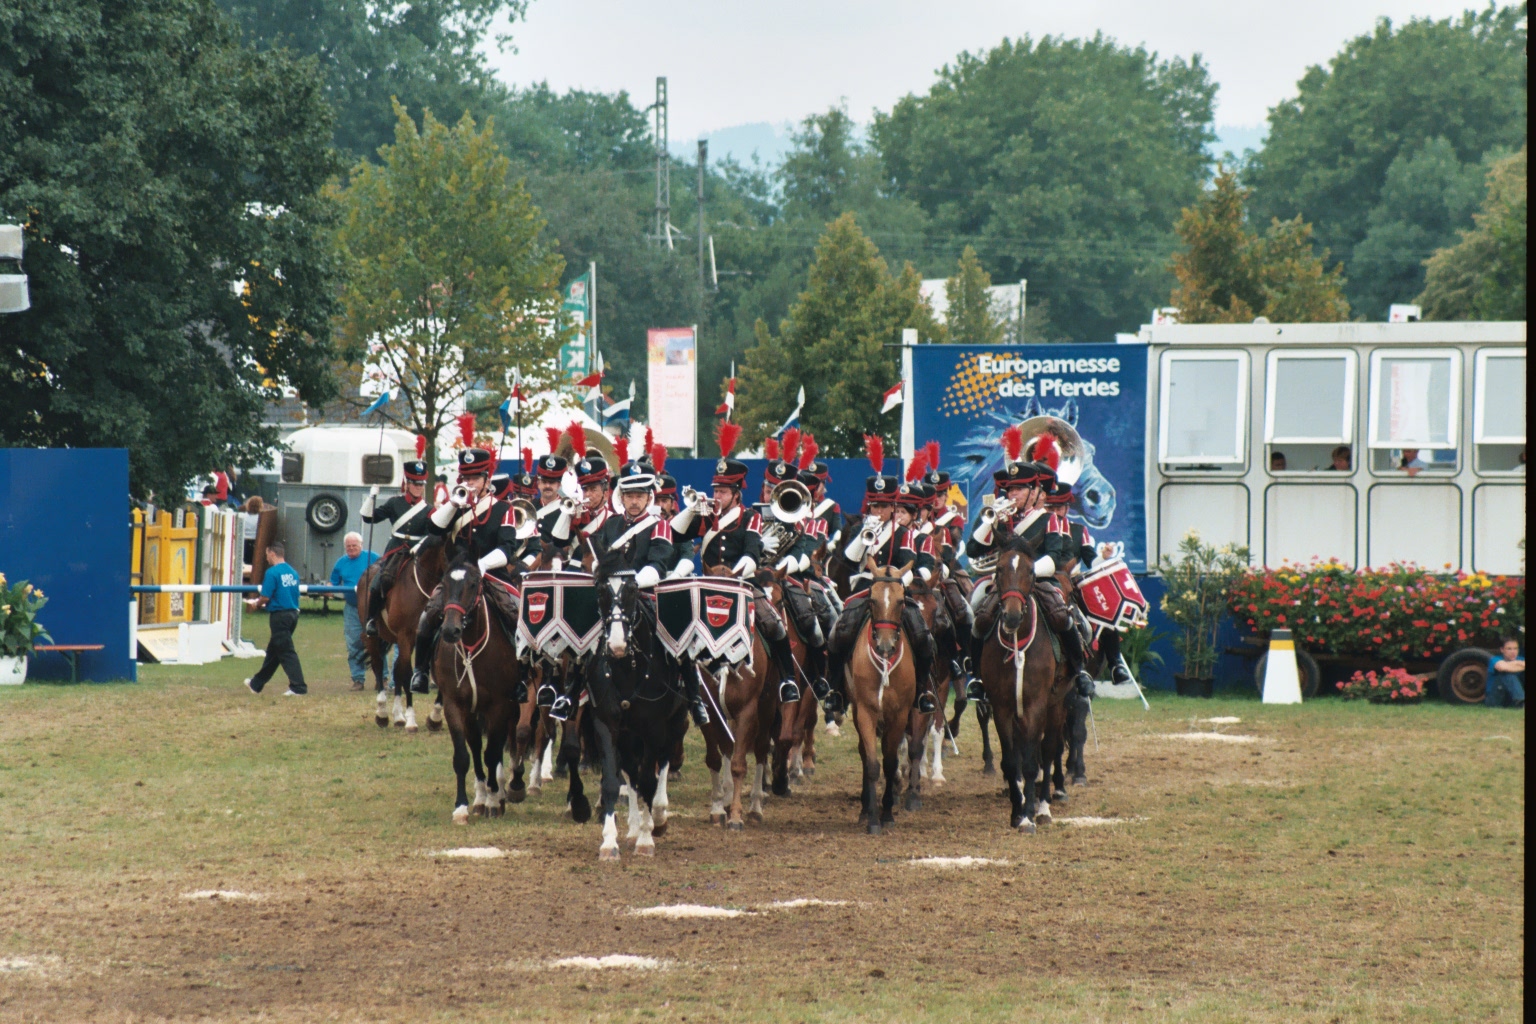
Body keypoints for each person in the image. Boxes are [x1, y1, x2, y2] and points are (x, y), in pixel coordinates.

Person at [670, 421, 801, 705]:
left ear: (736, 494)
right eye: (716, 490)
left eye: (723, 492)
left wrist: (733, 575)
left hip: (741, 582)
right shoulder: (706, 514)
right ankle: (678, 682)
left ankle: (788, 680)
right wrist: (691, 509)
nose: (717, 496)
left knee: (774, 623)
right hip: (704, 582)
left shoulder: (750, 517)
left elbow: (752, 555)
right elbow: (675, 532)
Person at [823, 434, 938, 715]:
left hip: (896, 591)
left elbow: (910, 564)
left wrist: (894, 584)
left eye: (884, 506)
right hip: (863, 590)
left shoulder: (905, 534)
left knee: (923, 636)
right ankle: (836, 690)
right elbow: (849, 562)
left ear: (893, 506)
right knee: (839, 633)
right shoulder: (860, 530)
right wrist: (864, 537)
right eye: (874, 505)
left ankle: (922, 690)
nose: (879, 510)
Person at [409, 445, 536, 696]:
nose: (470, 483)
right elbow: (433, 529)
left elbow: (507, 547)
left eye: (475, 478)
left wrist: (484, 564)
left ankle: (522, 676)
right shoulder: (454, 507)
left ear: (487, 480)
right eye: (466, 478)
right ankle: (420, 671)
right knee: (428, 616)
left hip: (491, 574)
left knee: (516, 617)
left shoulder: (503, 509)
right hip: (456, 578)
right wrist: (454, 504)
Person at [360, 455, 432, 638]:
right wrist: (371, 497)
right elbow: (369, 517)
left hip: (418, 551)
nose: (418, 487)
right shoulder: (395, 503)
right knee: (379, 582)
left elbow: (433, 532)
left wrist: (421, 545)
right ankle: (372, 619)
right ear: (407, 483)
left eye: (421, 484)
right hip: (396, 550)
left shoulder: (429, 509)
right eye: (415, 483)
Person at [244, 542, 306, 696]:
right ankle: (256, 684)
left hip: (279, 616)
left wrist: (256, 604)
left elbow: (265, 596)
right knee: (274, 652)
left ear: (272, 553)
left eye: (266, 555)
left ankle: (298, 687)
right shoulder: (293, 572)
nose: (266, 559)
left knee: (286, 651)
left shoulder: (272, 573)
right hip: (292, 613)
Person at [330, 532, 380, 690]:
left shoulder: (373, 557)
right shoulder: (340, 563)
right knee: (354, 644)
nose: (351, 549)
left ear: (361, 545)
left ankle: (382, 678)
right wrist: (329, 589)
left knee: (378, 642)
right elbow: (333, 583)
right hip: (352, 608)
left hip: (373, 608)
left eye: (354, 546)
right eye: (348, 546)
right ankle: (358, 679)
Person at [1485, 637, 1525, 708]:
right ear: (1502, 650)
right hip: (1495, 697)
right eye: (1509, 649)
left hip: (1511, 697)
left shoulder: (1521, 659)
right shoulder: (1495, 659)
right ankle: (1521, 702)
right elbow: (1502, 667)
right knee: (1506, 673)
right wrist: (1519, 665)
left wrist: (1511, 664)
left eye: (1515, 648)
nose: (1513, 651)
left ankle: (1520, 701)